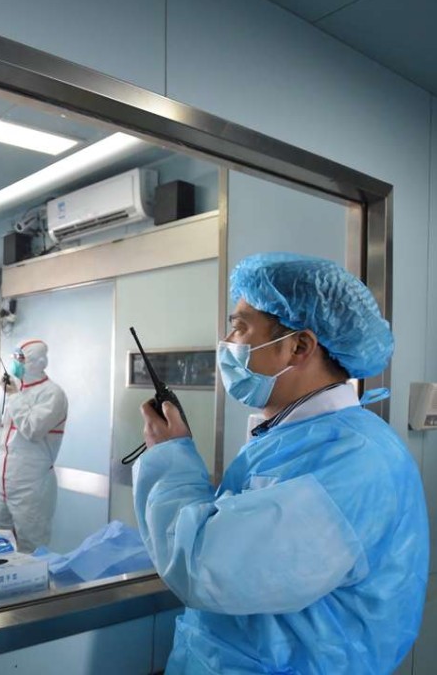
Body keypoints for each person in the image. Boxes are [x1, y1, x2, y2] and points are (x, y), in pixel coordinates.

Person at [133, 252, 428, 674]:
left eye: (240, 326)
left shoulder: (355, 461)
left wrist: (172, 460)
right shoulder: (294, 437)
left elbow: (205, 568)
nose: (229, 343)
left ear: (299, 346)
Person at [0, 339, 67, 553]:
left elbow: (32, 429)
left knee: (32, 548)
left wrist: (14, 396)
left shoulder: (52, 394)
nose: (15, 363)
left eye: (21, 359)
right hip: (4, 482)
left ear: (37, 362)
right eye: (14, 358)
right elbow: (6, 437)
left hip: (31, 485)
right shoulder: (18, 390)